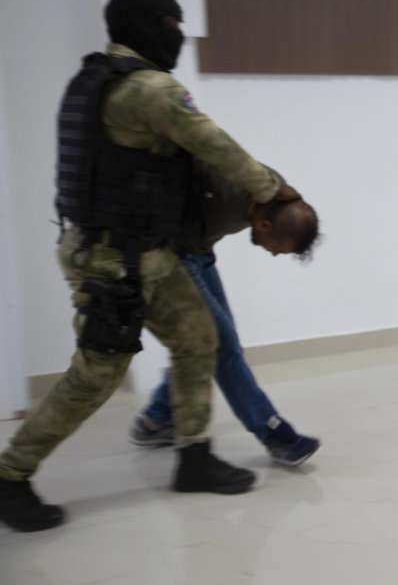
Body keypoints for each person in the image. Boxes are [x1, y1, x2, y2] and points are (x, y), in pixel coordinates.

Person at [0, 0, 297, 533]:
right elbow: (217, 147)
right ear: (144, 24)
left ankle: (194, 456)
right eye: (172, 25)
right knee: (97, 375)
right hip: (112, 260)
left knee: (198, 339)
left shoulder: (89, 80)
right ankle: (10, 473)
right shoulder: (152, 90)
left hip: (136, 252)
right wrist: (273, 187)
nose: (180, 36)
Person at [128, 163, 322, 466]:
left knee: (216, 345)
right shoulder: (225, 198)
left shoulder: (277, 194)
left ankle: (156, 420)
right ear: (265, 225)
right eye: (274, 248)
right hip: (172, 255)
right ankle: (275, 435)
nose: (271, 253)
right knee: (222, 345)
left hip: (199, 251)